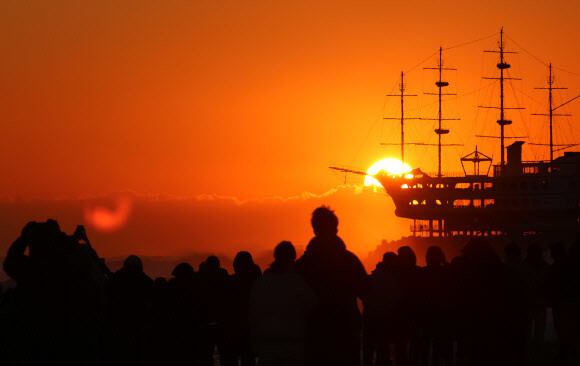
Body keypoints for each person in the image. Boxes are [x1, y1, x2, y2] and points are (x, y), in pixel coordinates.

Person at [295, 206, 369, 366]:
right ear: (336, 228)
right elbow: (366, 292)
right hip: (345, 332)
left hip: (314, 334)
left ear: (314, 228)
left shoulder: (302, 266)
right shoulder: (350, 261)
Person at [250, 241, 316, 366]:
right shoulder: (297, 282)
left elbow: (254, 315)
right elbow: (312, 308)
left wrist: (255, 344)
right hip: (292, 348)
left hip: (267, 347)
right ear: (292, 258)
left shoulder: (261, 283)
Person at [229, 251, 262, 366]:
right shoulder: (258, 281)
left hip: (237, 325)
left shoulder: (232, 282)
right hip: (251, 326)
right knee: (249, 358)